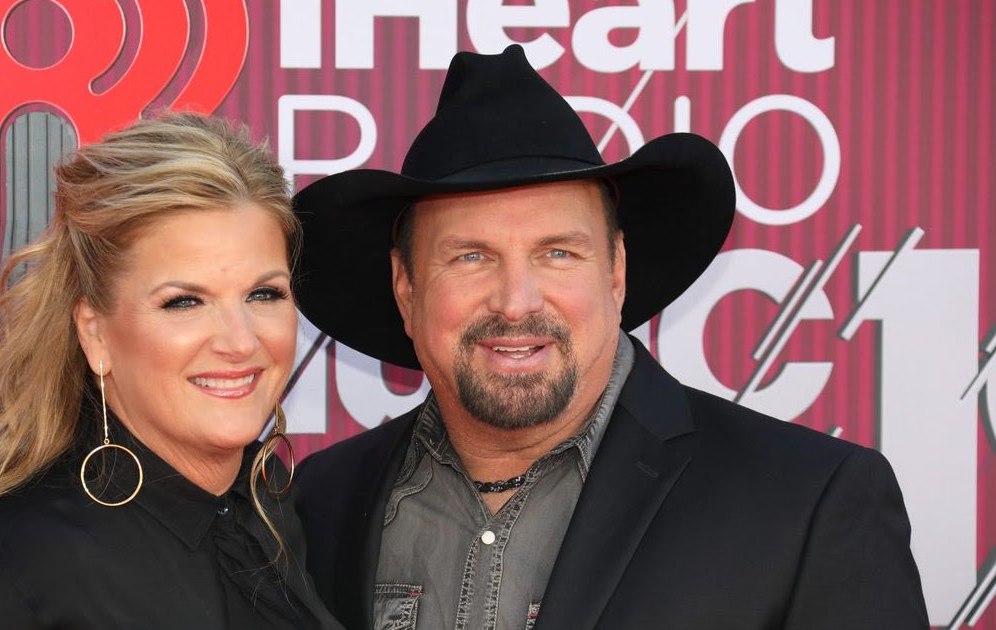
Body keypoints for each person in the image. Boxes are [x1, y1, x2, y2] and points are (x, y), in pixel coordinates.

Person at [291, 45, 928, 629]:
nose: (517, 302)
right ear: (406, 287)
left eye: (558, 253)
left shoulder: (808, 502)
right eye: (471, 257)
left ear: (616, 271)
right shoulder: (316, 505)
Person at [0, 112, 343, 629]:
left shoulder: (269, 506)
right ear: (96, 334)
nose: (240, 342)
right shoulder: (13, 570)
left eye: (264, 294)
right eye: (184, 301)